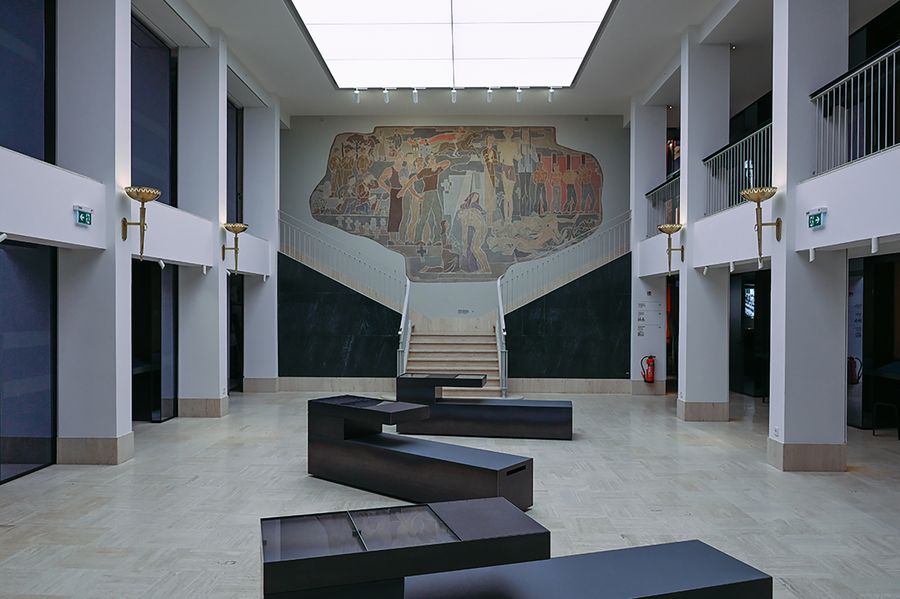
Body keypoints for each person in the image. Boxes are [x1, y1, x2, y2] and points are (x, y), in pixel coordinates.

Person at [413, 154, 450, 244]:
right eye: (431, 159)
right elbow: (413, 179)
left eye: (434, 158)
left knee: (439, 216)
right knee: (424, 217)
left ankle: (437, 239)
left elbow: (447, 163)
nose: (434, 160)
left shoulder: (437, 169)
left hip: (435, 193)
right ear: (428, 161)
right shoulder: (424, 171)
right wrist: (404, 190)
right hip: (428, 194)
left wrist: (436, 165)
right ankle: (417, 239)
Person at [456, 192, 490, 272]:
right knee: (475, 249)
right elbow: (464, 231)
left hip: (481, 229)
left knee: (475, 248)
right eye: (474, 197)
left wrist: (464, 245)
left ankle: (486, 268)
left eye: (476, 198)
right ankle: (485, 267)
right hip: (479, 229)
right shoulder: (466, 213)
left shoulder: (469, 212)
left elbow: (464, 232)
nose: (460, 215)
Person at [378, 155, 406, 242]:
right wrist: (388, 189)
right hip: (394, 192)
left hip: (405, 192)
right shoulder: (390, 170)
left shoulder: (405, 170)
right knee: (394, 214)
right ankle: (392, 238)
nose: (400, 160)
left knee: (404, 214)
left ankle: (402, 237)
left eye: (401, 158)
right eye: (398, 158)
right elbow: (380, 180)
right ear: (395, 159)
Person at [516, 128, 538, 216]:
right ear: (522, 135)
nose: (525, 136)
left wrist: (531, 153)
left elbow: (536, 159)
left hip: (528, 170)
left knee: (528, 191)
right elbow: (516, 157)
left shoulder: (531, 146)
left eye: (527, 134)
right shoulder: (519, 145)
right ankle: (521, 212)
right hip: (521, 170)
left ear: (529, 136)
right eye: (524, 134)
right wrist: (520, 154)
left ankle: (528, 211)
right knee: (522, 190)